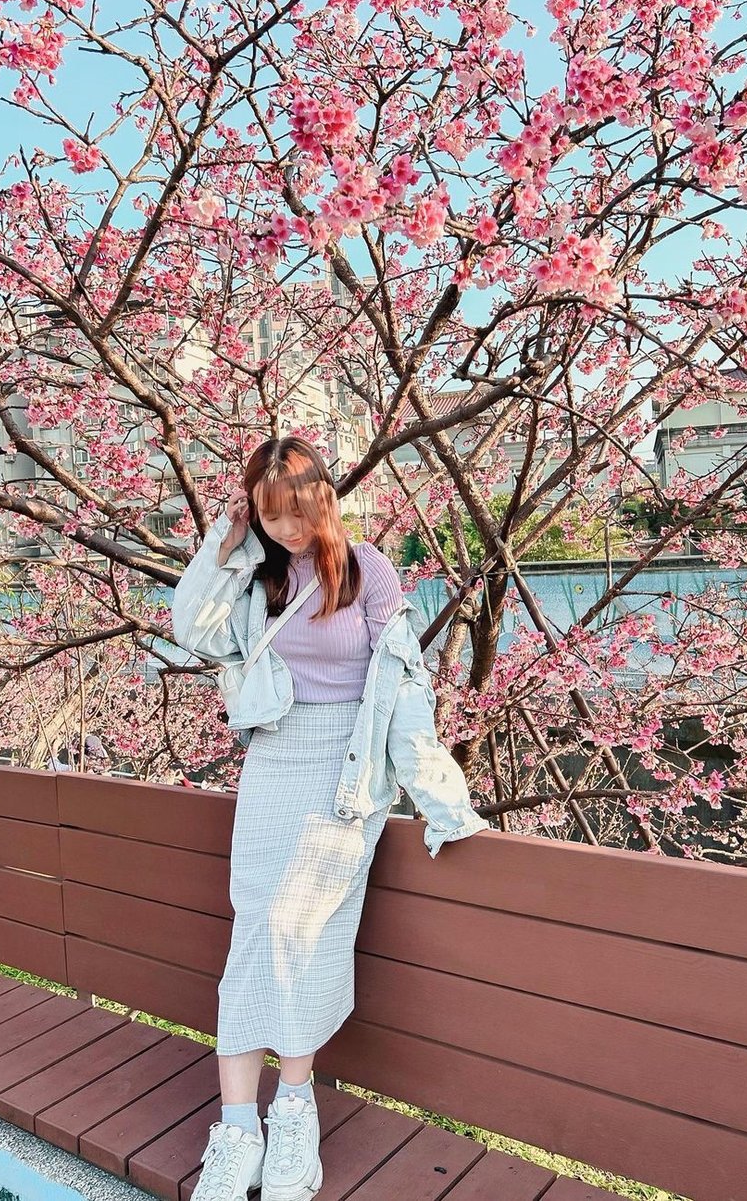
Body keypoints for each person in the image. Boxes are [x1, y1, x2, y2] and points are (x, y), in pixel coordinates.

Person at [171, 435, 489, 1201]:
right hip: (274, 763)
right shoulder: (255, 572)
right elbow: (193, 631)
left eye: (297, 510)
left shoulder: (369, 569)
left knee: (302, 932)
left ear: (325, 498)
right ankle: (238, 1129)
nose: (286, 528)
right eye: (269, 513)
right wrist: (226, 543)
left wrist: (444, 801)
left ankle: (295, 1116)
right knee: (254, 930)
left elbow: (405, 690)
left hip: (347, 776)